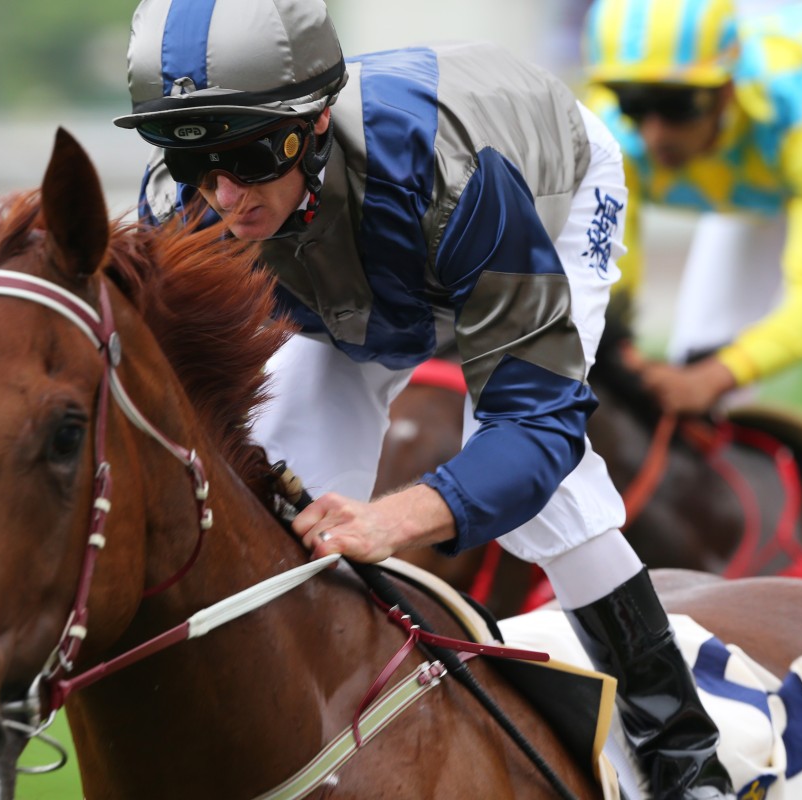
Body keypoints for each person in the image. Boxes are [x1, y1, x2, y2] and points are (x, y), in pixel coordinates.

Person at [114, 1, 731, 796]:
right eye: (193, 158)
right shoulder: (186, 207)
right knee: (278, 472)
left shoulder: (460, 181)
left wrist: (394, 519)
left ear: (315, 121)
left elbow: (536, 426)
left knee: (544, 494)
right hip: (373, 234)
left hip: (543, 191)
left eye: (252, 154)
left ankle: (685, 754)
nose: (227, 196)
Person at [581, 0, 802, 457]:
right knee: (700, 350)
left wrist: (715, 377)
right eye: (633, 102)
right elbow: (609, 281)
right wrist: (625, 353)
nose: (655, 135)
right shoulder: (610, 133)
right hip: (755, 157)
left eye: (677, 104)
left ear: (726, 90)